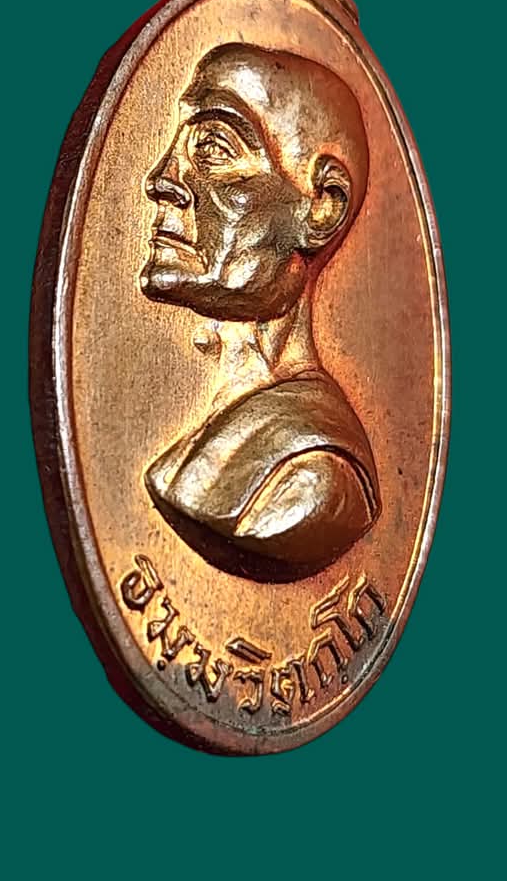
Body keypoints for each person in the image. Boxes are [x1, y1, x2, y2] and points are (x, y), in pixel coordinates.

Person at [140, 44, 380, 578]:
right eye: (178, 147)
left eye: (213, 148)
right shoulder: (213, 434)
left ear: (321, 210)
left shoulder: (312, 478)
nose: (162, 179)